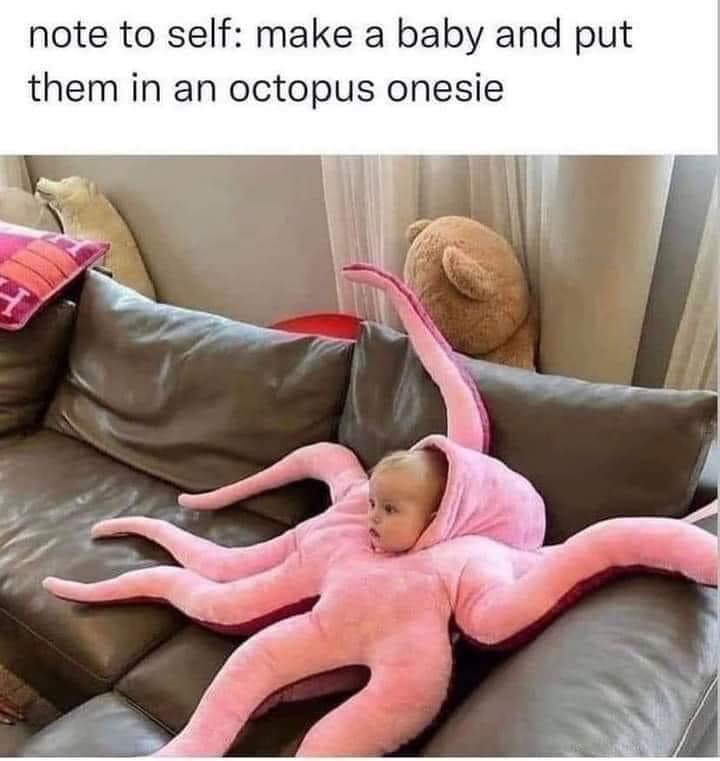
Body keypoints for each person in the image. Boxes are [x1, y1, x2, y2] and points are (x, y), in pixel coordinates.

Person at [368, 449, 448, 553]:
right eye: (372, 504)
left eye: (389, 509)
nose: (373, 517)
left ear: (430, 523)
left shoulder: (441, 558)